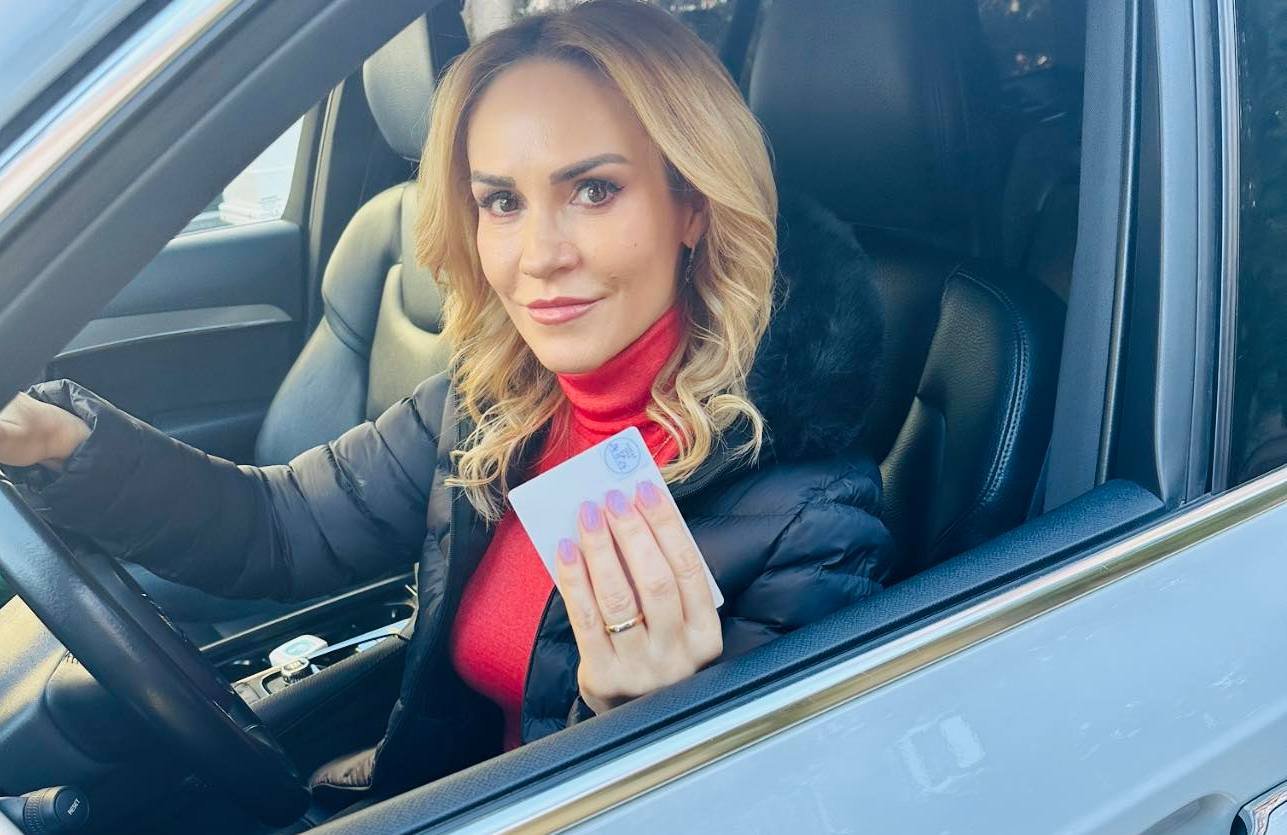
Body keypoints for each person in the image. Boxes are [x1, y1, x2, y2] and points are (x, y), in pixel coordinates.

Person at [0, 0, 892, 798]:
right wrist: (63, 443)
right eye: (501, 201)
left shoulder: (809, 525)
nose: (538, 255)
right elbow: (279, 528)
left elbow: (772, 803)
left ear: (691, 206)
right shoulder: (490, 404)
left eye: (594, 190)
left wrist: (634, 727)